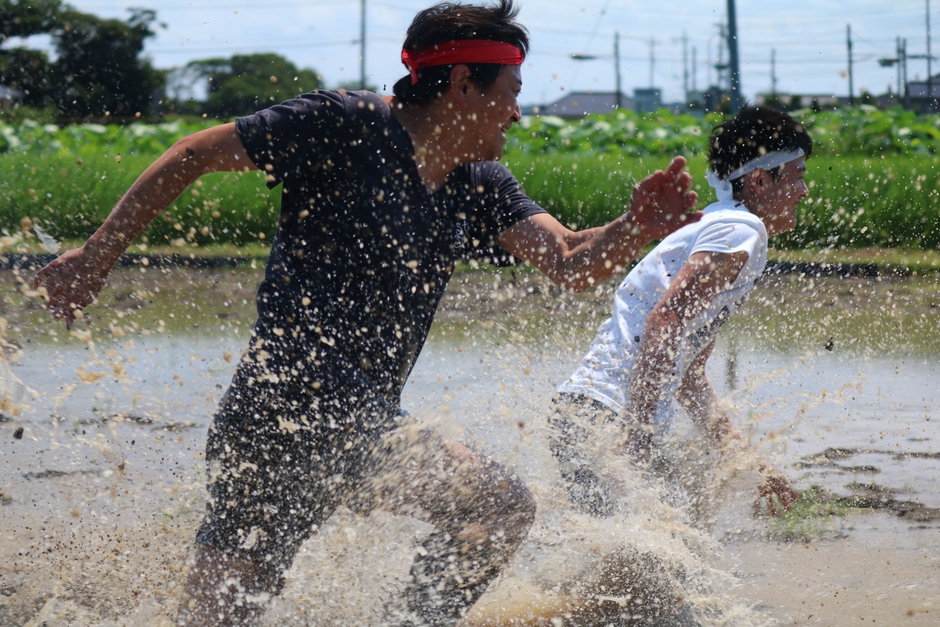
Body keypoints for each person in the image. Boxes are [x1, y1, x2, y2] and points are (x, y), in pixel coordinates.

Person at [33, 1, 698, 625]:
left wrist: (635, 224)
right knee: (496, 506)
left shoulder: (478, 185)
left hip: (350, 418)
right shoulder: (344, 124)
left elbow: (570, 259)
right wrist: (96, 256)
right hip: (281, 407)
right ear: (463, 83)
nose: (517, 114)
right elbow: (196, 153)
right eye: (511, 92)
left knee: (226, 612)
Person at [549, 105, 808, 518]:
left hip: (584, 415)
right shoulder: (742, 231)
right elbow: (665, 320)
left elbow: (689, 380)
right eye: (797, 176)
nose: (804, 191)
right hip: (606, 417)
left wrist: (750, 463)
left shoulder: (721, 223)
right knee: (656, 560)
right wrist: (637, 437)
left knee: (657, 548)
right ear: (760, 180)